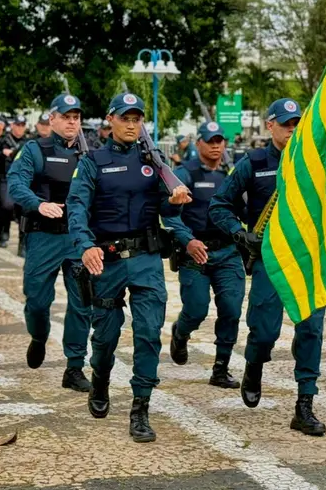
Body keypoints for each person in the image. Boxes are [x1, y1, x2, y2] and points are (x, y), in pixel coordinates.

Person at [67, 92, 191, 443]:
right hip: (105, 259)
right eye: (126, 118)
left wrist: (175, 201)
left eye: (137, 118)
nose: (133, 124)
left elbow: (167, 214)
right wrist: (85, 245)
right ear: (111, 120)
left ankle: (141, 406)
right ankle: (101, 381)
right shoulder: (92, 161)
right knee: (105, 336)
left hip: (146, 258)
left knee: (149, 331)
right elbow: (76, 207)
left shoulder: (154, 160)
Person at [209, 98, 326, 437]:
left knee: (310, 330)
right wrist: (239, 233)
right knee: (263, 332)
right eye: (286, 124)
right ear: (270, 126)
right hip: (269, 260)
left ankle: (305, 403)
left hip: (306, 261)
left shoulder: (317, 163)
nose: (292, 130)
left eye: (297, 124)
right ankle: (254, 364)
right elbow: (219, 206)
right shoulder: (254, 162)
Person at [6, 94, 92, 391]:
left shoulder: (89, 152)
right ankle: (39, 336)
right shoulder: (34, 149)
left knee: (82, 303)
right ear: (51, 118)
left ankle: (75, 366)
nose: (72, 122)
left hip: (78, 238)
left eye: (76, 117)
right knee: (38, 302)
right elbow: (15, 183)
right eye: (66, 116)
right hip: (43, 235)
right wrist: (38, 203)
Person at [164, 121, 245, 389]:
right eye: (210, 141)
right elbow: (170, 216)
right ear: (198, 143)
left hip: (227, 252)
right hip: (194, 254)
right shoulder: (183, 174)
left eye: (219, 141)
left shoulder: (232, 174)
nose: (215, 146)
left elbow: (245, 209)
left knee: (231, 310)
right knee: (196, 309)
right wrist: (189, 241)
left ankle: (221, 368)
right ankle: (181, 332)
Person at [0, 115, 29, 247]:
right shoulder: (3, 140)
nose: (20, 128)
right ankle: (4, 232)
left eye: (22, 126)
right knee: (6, 205)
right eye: (18, 125)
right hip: (5, 177)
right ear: (13, 126)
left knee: (24, 210)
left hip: (23, 179)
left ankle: (22, 242)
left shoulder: (28, 142)